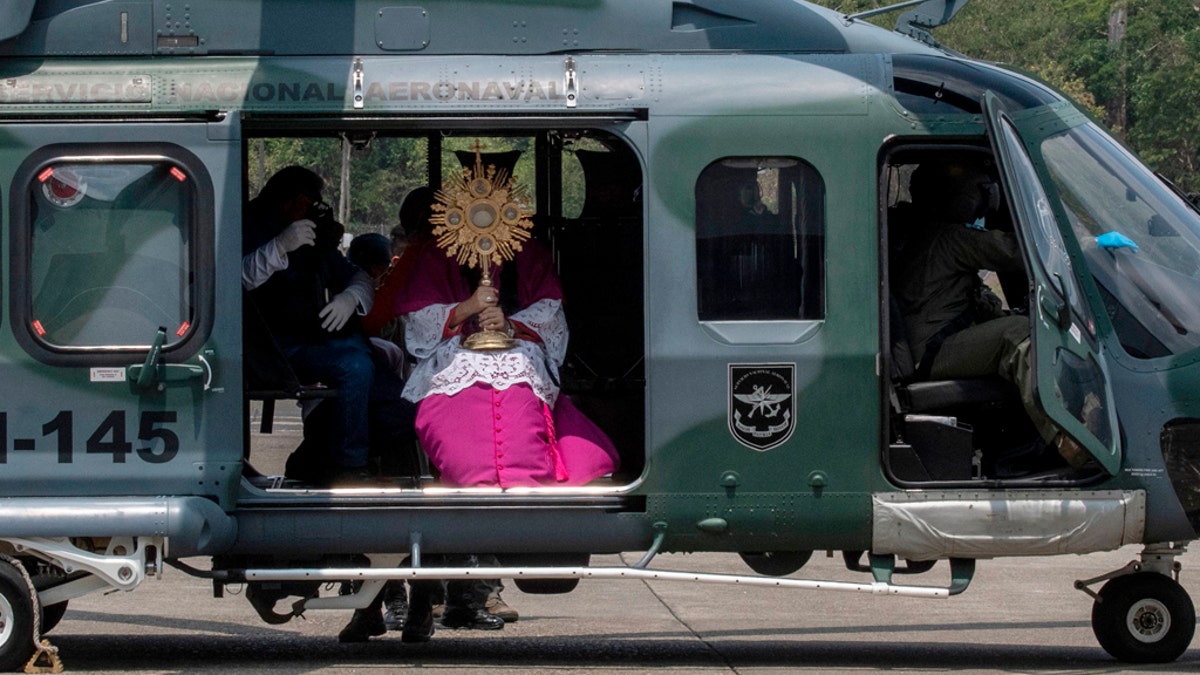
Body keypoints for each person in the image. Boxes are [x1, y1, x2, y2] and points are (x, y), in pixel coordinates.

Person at [893, 158, 1085, 466]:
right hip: (930, 349)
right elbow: (1016, 253)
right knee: (1018, 333)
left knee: (1015, 324)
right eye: (984, 190)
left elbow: (961, 301)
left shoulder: (924, 233)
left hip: (928, 344)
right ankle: (1071, 440)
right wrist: (1086, 245)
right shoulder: (950, 238)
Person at [242, 165, 377, 484]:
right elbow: (231, 279)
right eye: (308, 200)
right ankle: (351, 466)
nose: (315, 207)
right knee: (354, 366)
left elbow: (355, 274)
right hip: (268, 348)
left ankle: (319, 458)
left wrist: (351, 296)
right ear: (291, 199)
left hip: (316, 342)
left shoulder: (311, 237)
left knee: (379, 373)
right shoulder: (247, 226)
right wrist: (277, 248)